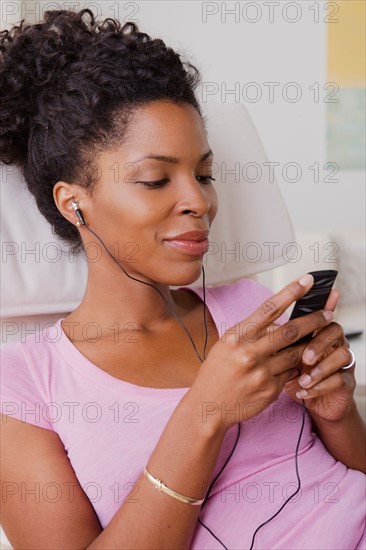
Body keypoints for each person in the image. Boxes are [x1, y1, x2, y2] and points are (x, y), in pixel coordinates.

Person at [0, 8, 365, 550]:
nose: (199, 201)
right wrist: (203, 414)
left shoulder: (250, 307)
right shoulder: (25, 387)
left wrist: (336, 411)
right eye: (155, 179)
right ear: (74, 203)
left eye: (204, 174)